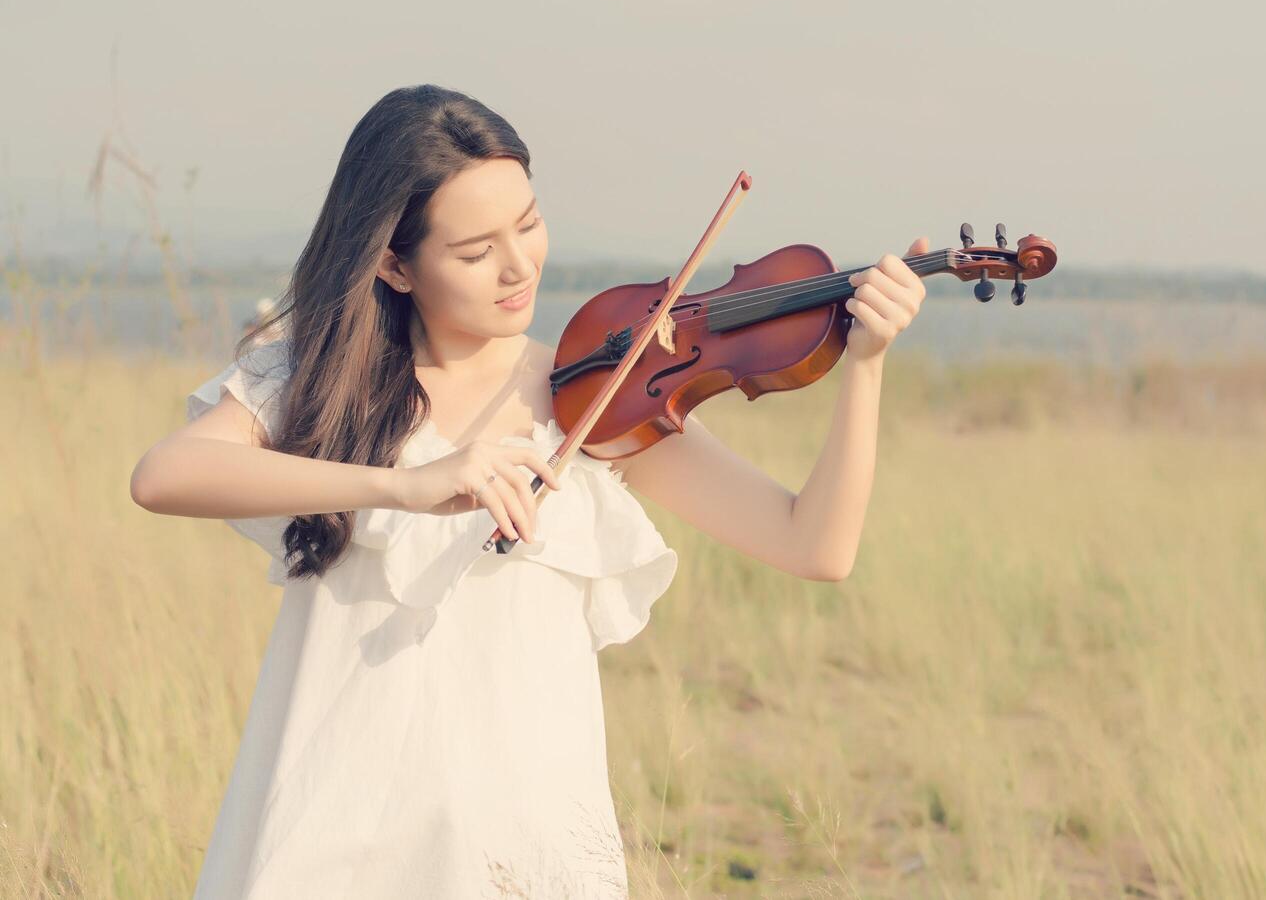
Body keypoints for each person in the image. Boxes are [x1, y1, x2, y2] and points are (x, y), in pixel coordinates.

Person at [128, 84, 929, 898]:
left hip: (520, 844)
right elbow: (163, 476)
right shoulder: (316, 383)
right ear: (394, 264)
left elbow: (814, 545)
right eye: (476, 252)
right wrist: (408, 485)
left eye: (530, 223)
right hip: (336, 822)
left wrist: (863, 366)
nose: (519, 267)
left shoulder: (603, 394)